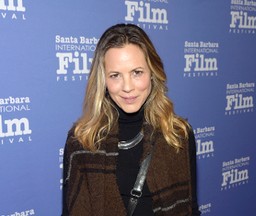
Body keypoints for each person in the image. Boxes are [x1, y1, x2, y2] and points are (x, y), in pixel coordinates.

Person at [62, 23, 201, 216]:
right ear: (103, 81)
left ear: (152, 73)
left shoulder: (177, 135)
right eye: (115, 75)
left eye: (137, 72)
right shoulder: (81, 141)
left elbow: (190, 210)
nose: (127, 87)